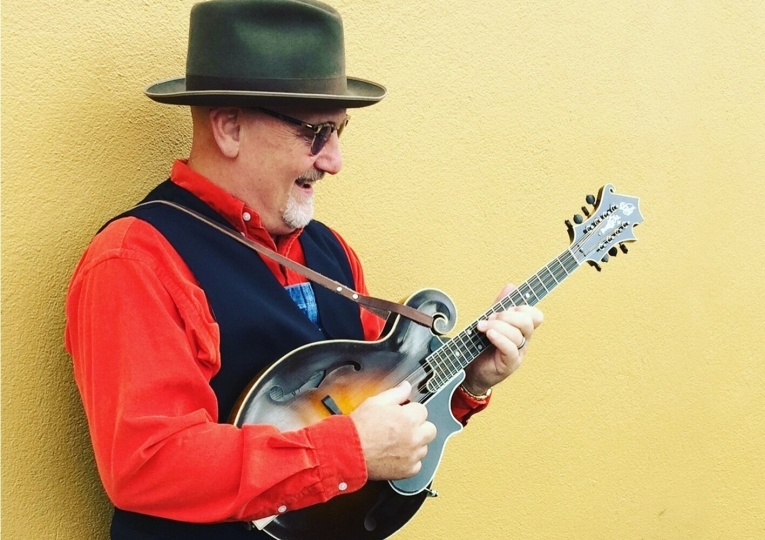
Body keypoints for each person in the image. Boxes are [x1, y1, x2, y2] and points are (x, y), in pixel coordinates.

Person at [64, 1, 543, 538]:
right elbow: (147, 464)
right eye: (315, 133)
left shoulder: (332, 250)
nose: (334, 160)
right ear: (228, 127)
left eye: (340, 131)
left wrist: (466, 383)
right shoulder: (136, 259)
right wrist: (349, 450)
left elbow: (385, 400)